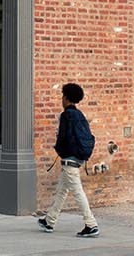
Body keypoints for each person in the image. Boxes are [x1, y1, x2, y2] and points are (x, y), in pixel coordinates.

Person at [36, 82, 98, 237]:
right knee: (61, 192)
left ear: (67, 98)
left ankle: (91, 224)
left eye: (63, 96)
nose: (61, 99)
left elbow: (63, 139)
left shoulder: (66, 115)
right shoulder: (80, 115)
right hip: (77, 159)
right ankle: (49, 221)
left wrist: (59, 150)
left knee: (78, 192)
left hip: (69, 160)